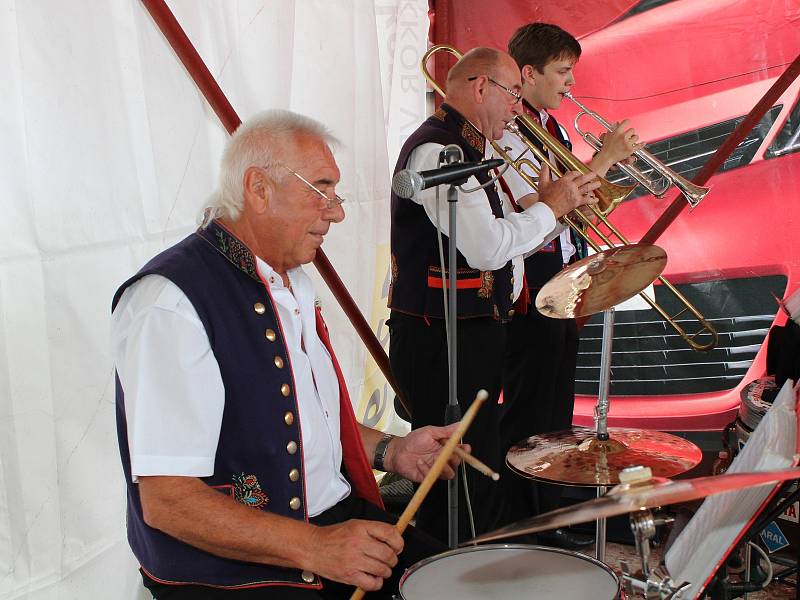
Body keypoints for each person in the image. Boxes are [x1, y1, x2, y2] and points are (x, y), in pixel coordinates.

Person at [111, 110, 469, 599]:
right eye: (320, 188)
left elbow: (305, 422)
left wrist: (392, 450)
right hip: (238, 574)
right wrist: (316, 548)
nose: (337, 211)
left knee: (466, 583)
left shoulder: (290, 279)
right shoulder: (171, 302)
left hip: (326, 528)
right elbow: (168, 501)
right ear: (258, 188)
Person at [387, 46, 599, 545]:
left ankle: (481, 559)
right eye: (513, 97)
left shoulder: (471, 150)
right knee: (454, 469)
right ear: (481, 87)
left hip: (469, 329)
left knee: (476, 460)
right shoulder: (440, 152)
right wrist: (549, 208)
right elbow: (487, 249)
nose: (517, 111)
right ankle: (448, 568)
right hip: (440, 334)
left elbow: (501, 234)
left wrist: (545, 207)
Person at [499, 23, 643, 548]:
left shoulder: (549, 128)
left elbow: (576, 202)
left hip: (560, 277)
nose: (570, 85)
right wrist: (601, 158)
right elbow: (536, 207)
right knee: (531, 412)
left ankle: (551, 510)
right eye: (562, 72)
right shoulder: (510, 132)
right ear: (528, 73)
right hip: (529, 283)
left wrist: (604, 173)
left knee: (556, 409)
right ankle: (525, 516)